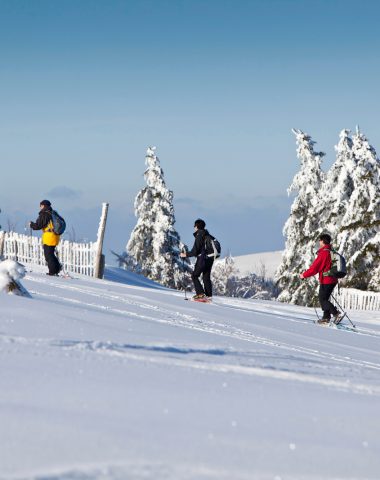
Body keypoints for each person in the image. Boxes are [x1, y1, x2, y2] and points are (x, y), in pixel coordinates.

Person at [299, 233, 343, 324]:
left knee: (322, 300)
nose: (319, 242)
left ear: (323, 241)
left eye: (320, 240)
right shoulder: (331, 251)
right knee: (325, 299)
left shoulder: (324, 253)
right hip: (332, 279)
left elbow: (315, 268)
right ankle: (326, 317)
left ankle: (336, 314)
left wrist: (304, 275)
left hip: (327, 280)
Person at [180, 218, 214, 300]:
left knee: (194, 275)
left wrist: (185, 254)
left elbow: (195, 251)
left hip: (202, 258)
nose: (194, 227)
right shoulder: (207, 235)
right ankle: (208, 296)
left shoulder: (199, 235)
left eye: (194, 226)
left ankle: (201, 294)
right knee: (206, 277)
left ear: (197, 226)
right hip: (210, 258)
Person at [30, 200, 61, 276]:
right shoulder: (53, 213)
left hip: (49, 236)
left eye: (40, 206)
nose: (40, 207)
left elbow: (39, 225)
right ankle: (57, 268)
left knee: (48, 255)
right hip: (55, 236)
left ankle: (53, 272)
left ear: (43, 205)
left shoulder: (45, 214)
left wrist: (31, 224)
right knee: (51, 253)